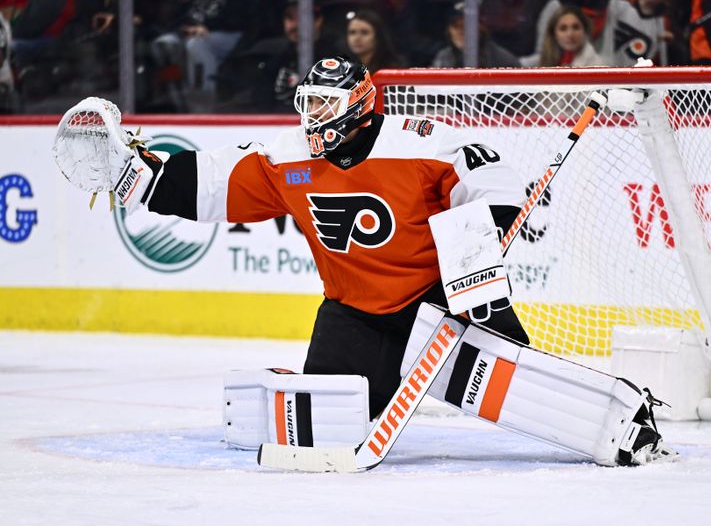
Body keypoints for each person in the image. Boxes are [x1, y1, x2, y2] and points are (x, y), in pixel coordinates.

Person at [65, 56, 673, 466]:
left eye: (325, 109)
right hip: (352, 314)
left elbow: (493, 180)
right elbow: (215, 183)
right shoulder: (287, 157)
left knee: (523, 387)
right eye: (308, 107)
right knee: (323, 429)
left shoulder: (421, 140)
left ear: (359, 105)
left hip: (440, 308)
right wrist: (136, 176)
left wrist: (483, 229)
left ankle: (626, 423)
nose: (312, 121)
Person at [431, 1, 520, 68]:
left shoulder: (504, 61)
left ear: (482, 27)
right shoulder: (443, 57)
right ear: (449, 30)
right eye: (456, 26)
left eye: (468, 26)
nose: (461, 32)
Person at [597, 0, 674, 66]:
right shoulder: (616, 2)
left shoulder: (662, 25)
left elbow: (659, 62)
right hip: (602, 68)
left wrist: (670, 46)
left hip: (633, 75)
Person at [521, 5, 604, 67]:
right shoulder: (553, 58)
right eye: (563, 28)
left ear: (585, 30)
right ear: (554, 34)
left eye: (576, 27)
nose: (570, 34)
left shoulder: (596, 65)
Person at [345, 9, 404, 75]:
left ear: (377, 37)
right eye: (352, 32)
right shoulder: (344, 68)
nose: (357, 38)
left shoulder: (391, 69)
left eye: (364, 32)